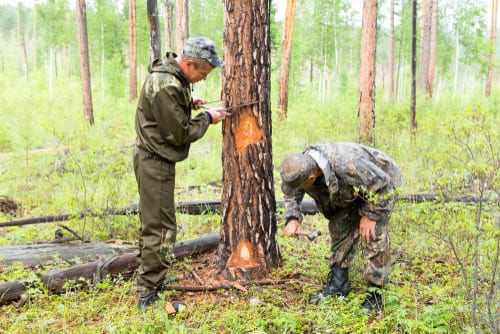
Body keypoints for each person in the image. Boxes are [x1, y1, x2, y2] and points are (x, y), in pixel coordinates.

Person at [133, 36, 229, 311]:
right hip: (155, 162)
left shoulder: (171, 77)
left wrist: (189, 103)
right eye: (202, 72)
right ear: (188, 64)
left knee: (155, 222)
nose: (202, 78)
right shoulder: (167, 84)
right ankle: (148, 293)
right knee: (160, 227)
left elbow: (167, 110)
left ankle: (155, 274)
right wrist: (208, 118)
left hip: (153, 159)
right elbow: (179, 133)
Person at [279, 142, 401, 313]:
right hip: (351, 191)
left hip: (380, 187)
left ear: (311, 179)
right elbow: (291, 192)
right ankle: (339, 287)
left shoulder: (347, 164)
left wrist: (371, 214)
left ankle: (375, 296)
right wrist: (292, 218)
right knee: (339, 226)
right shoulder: (300, 167)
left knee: (372, 233)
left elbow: (383, 184)